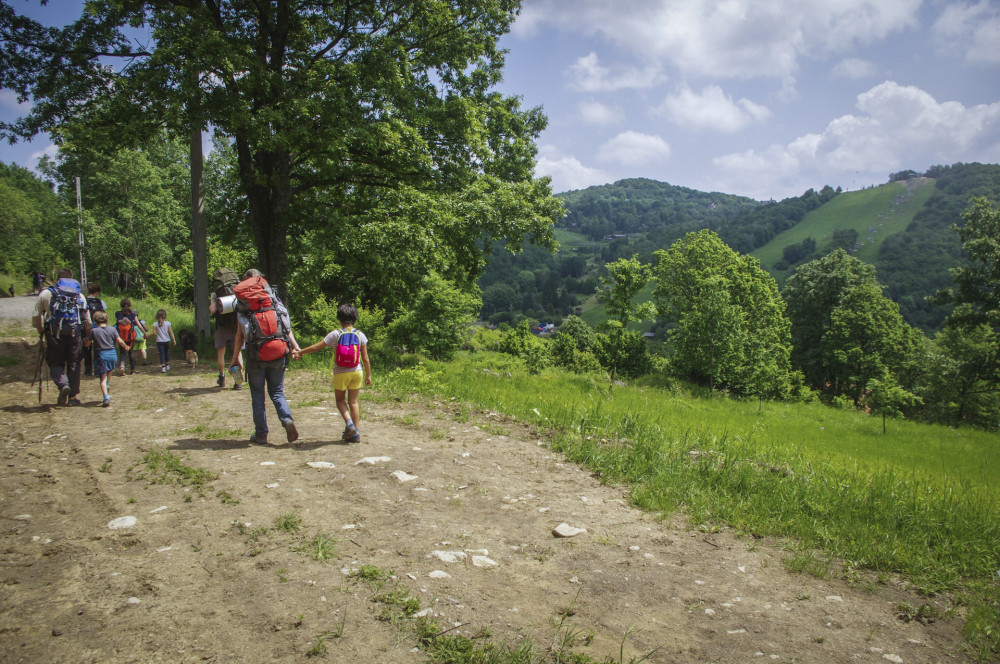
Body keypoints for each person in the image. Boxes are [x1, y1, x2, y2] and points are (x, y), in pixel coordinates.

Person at [230, 269, 300, 445]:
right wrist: (295, 346)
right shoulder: (273, 302)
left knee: (258, 395)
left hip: (257, 357)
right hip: (279, 353)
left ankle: (261, 434)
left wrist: (234, 358)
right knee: (277, 391)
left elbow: (239, 336)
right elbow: (286, 328)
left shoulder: (244, 308)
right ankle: (287, 420)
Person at [294, 304, 371, 443]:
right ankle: (356, 433)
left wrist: (300, 352)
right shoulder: (360, 335)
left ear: (339, 319)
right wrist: (368, 375)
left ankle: (349, 424)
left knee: (340, 400)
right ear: (355, 318)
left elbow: (316, 347)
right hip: (357, 371)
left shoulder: (335, 334)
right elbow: (365, 358)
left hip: (341, 372)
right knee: (353, 402)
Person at [31, 268, 92, 406]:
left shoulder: (47, 294)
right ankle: (73, 397)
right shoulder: (79, 296)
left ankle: (63, 384)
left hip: (54, 334)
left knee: (55, 362)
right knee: (74, 364)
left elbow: (36, 315)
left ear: (58, 279)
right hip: (75, 334)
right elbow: (86, 319)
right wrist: (87, 335)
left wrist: (40, 328)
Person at [208, 267, 242, 389]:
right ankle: (238, 382)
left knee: (221, 353)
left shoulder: (215, 293)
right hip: (236, 325)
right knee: (237, 353)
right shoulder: (237, 289)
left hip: (222, 326)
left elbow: (212, 310)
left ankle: (222, 378)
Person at [88, 310, 130, 407]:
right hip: (112, 355)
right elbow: (119, 340)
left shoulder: (94, 331)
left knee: (102, 377)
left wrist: (86, 341)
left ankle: (106, 397)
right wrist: (126, 346)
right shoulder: (112, 329)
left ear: (95, 320)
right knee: (109, 371)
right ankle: (107, 384)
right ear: (106, 319)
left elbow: (88, 344)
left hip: (101, 355)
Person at [114, 298, 147, 375]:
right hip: (131, 337)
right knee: (131, 352)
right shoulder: (132, 315)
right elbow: (139, 325)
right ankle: (132, 370)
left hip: (121, 337)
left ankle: (122, 365)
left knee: (122, 353)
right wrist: (144, 333)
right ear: (130, 305)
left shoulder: (118, 314)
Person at [83, 283, 107, 376]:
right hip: (98, 327)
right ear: (97, 292)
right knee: (98, 349)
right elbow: (103, 315)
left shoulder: (83, 300)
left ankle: (88, 369)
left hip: (86, 327)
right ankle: (98, 369)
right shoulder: (101, 302)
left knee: (87, 347)